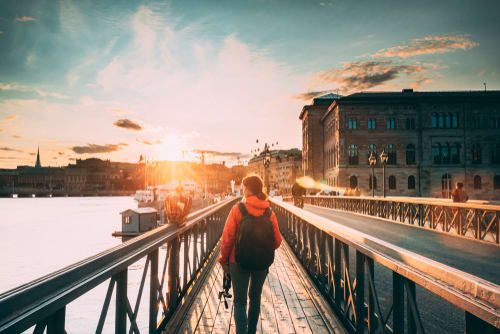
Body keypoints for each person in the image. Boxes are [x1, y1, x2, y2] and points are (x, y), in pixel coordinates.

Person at [219, 175, 282, 334]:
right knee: (255, 300)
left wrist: (223, 261)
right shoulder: (269, 212)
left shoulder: (238, 209)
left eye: (243, 187)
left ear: (247, 189)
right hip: (261, 263)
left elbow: (227, 239)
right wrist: (262, 249)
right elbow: (277, 241)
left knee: (240, 302)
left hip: (237, 261)